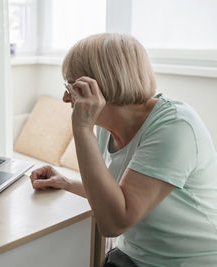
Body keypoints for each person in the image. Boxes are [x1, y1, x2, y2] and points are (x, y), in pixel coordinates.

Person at [30, 33, 217, 266]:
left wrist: (82, 129)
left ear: (102, 84)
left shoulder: (175, 126)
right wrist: (66, 183)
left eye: (73, 85)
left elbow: (114, 223)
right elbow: (115, 195)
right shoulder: (106, 127)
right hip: (134, 256)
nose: (66, 97)